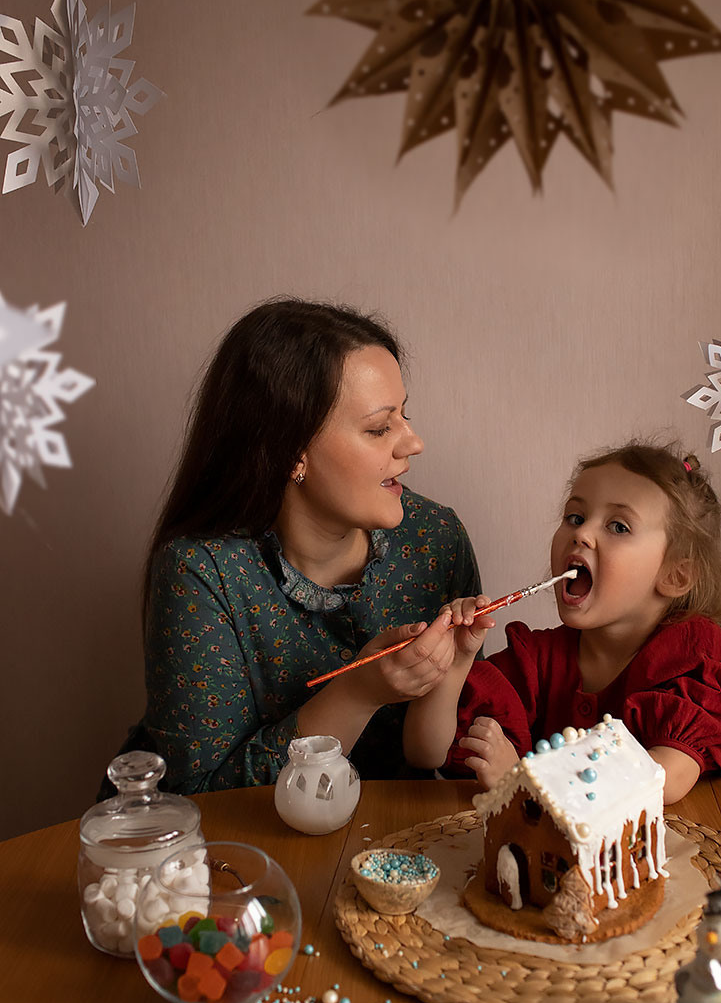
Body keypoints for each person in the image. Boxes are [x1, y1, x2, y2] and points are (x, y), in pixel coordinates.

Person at [108, 298, 480, 795]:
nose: (413, 442)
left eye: (404, 414)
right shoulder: (201, 571)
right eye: (379, 427)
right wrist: (359, 691)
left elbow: (454, 749)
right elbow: (201, 798)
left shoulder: (436, 539)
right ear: (289, 451)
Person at [403, 441, 721, 803]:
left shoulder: (698, 666)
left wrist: (524, 781)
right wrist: (455, 663)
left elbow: (661, 779)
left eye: (619, 526)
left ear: (676, 575)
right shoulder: (534, 662)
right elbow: (425, 755)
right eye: (575, 518)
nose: (581, 534)